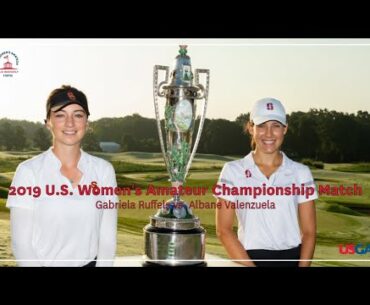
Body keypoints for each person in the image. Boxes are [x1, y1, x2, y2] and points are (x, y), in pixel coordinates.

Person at [6, 85, 118, 267]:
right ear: (48, 122)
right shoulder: (28, 172)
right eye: (60, 115)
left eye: (78, 115)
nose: (70, 123)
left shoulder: (104, 171)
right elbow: (22, 245)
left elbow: (107, 241)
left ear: (87, 123)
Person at [215, 97, 317, 267]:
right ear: (250, 128)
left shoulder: (301, 173)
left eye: (276, 126)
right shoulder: (232, 171)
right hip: (248, 260)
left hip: (292, 259)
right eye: (261, 125)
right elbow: (223, 230)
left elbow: (309, 232)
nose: (268, 134)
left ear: (285, 129)